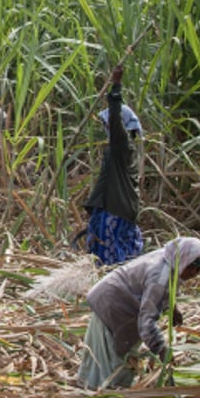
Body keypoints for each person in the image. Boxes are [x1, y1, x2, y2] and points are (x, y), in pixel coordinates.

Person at [75, 236, 200, 390]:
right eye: (191, 267)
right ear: (183, 258)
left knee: (112, 359)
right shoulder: (160, 278)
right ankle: (102, 396)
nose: (193, 273)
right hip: (112, 304)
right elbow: (146, 322)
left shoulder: (170, 258)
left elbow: (159, 292)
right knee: (115, 361)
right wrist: (161, 349)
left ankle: (99, 391)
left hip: (115, 298)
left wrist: (172, 308)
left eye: (198, 269)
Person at [81, 63, 143, 265]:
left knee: (109, 260)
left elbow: (115, 118)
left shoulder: (121, 146)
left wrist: (116, 86)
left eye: (106, 124)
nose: (106, 126)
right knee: (119, 255)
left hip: (114, 211)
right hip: (121, 210)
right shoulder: (124, 150)